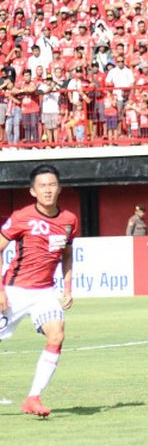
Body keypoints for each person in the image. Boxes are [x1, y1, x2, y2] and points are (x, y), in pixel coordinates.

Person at [0, 164, 78, 416]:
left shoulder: (69, 220)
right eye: (42, 186)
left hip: (45, 292)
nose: (48, 190)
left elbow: (67, 254)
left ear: (60, 188)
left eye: (52, 185)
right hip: (14, 291)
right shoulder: (22, 217)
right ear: (33, 191)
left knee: (56, 336)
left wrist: (68, 286)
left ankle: (33, 398)